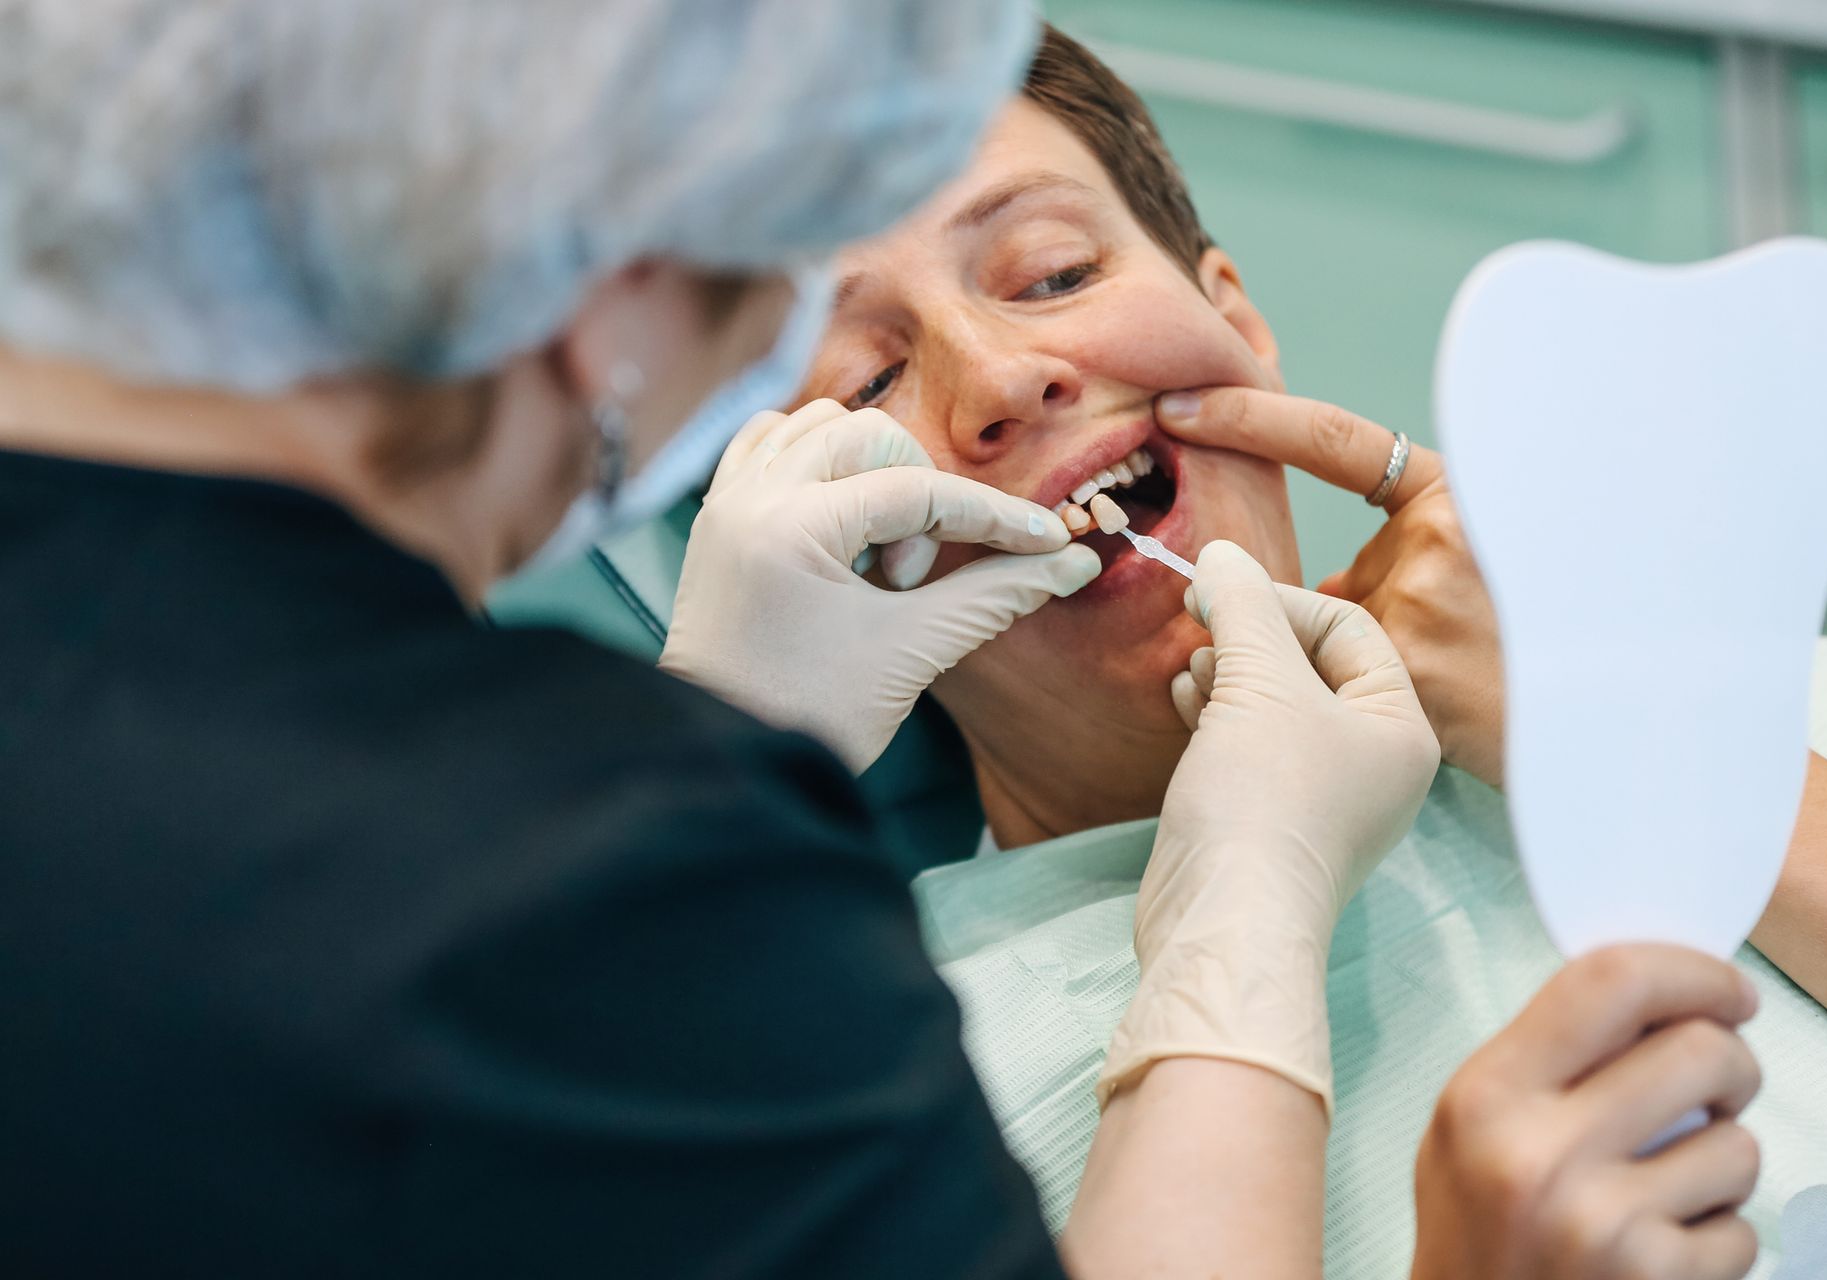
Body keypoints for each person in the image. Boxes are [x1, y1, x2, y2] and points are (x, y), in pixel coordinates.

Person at [0, 4, 1643, 1277]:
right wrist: (1237, 931)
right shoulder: (603, 902)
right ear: (604, 263)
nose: (1000, 381)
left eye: (1058, 268)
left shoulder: (1691, 725)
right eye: (826, 357)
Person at [748, 25, 1827, 1276]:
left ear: (1235, 320)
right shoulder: (896, 1096)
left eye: (1051, 274)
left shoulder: (1738, 692)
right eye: (867, 383)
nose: (1001, 377)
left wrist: (1597, 712)